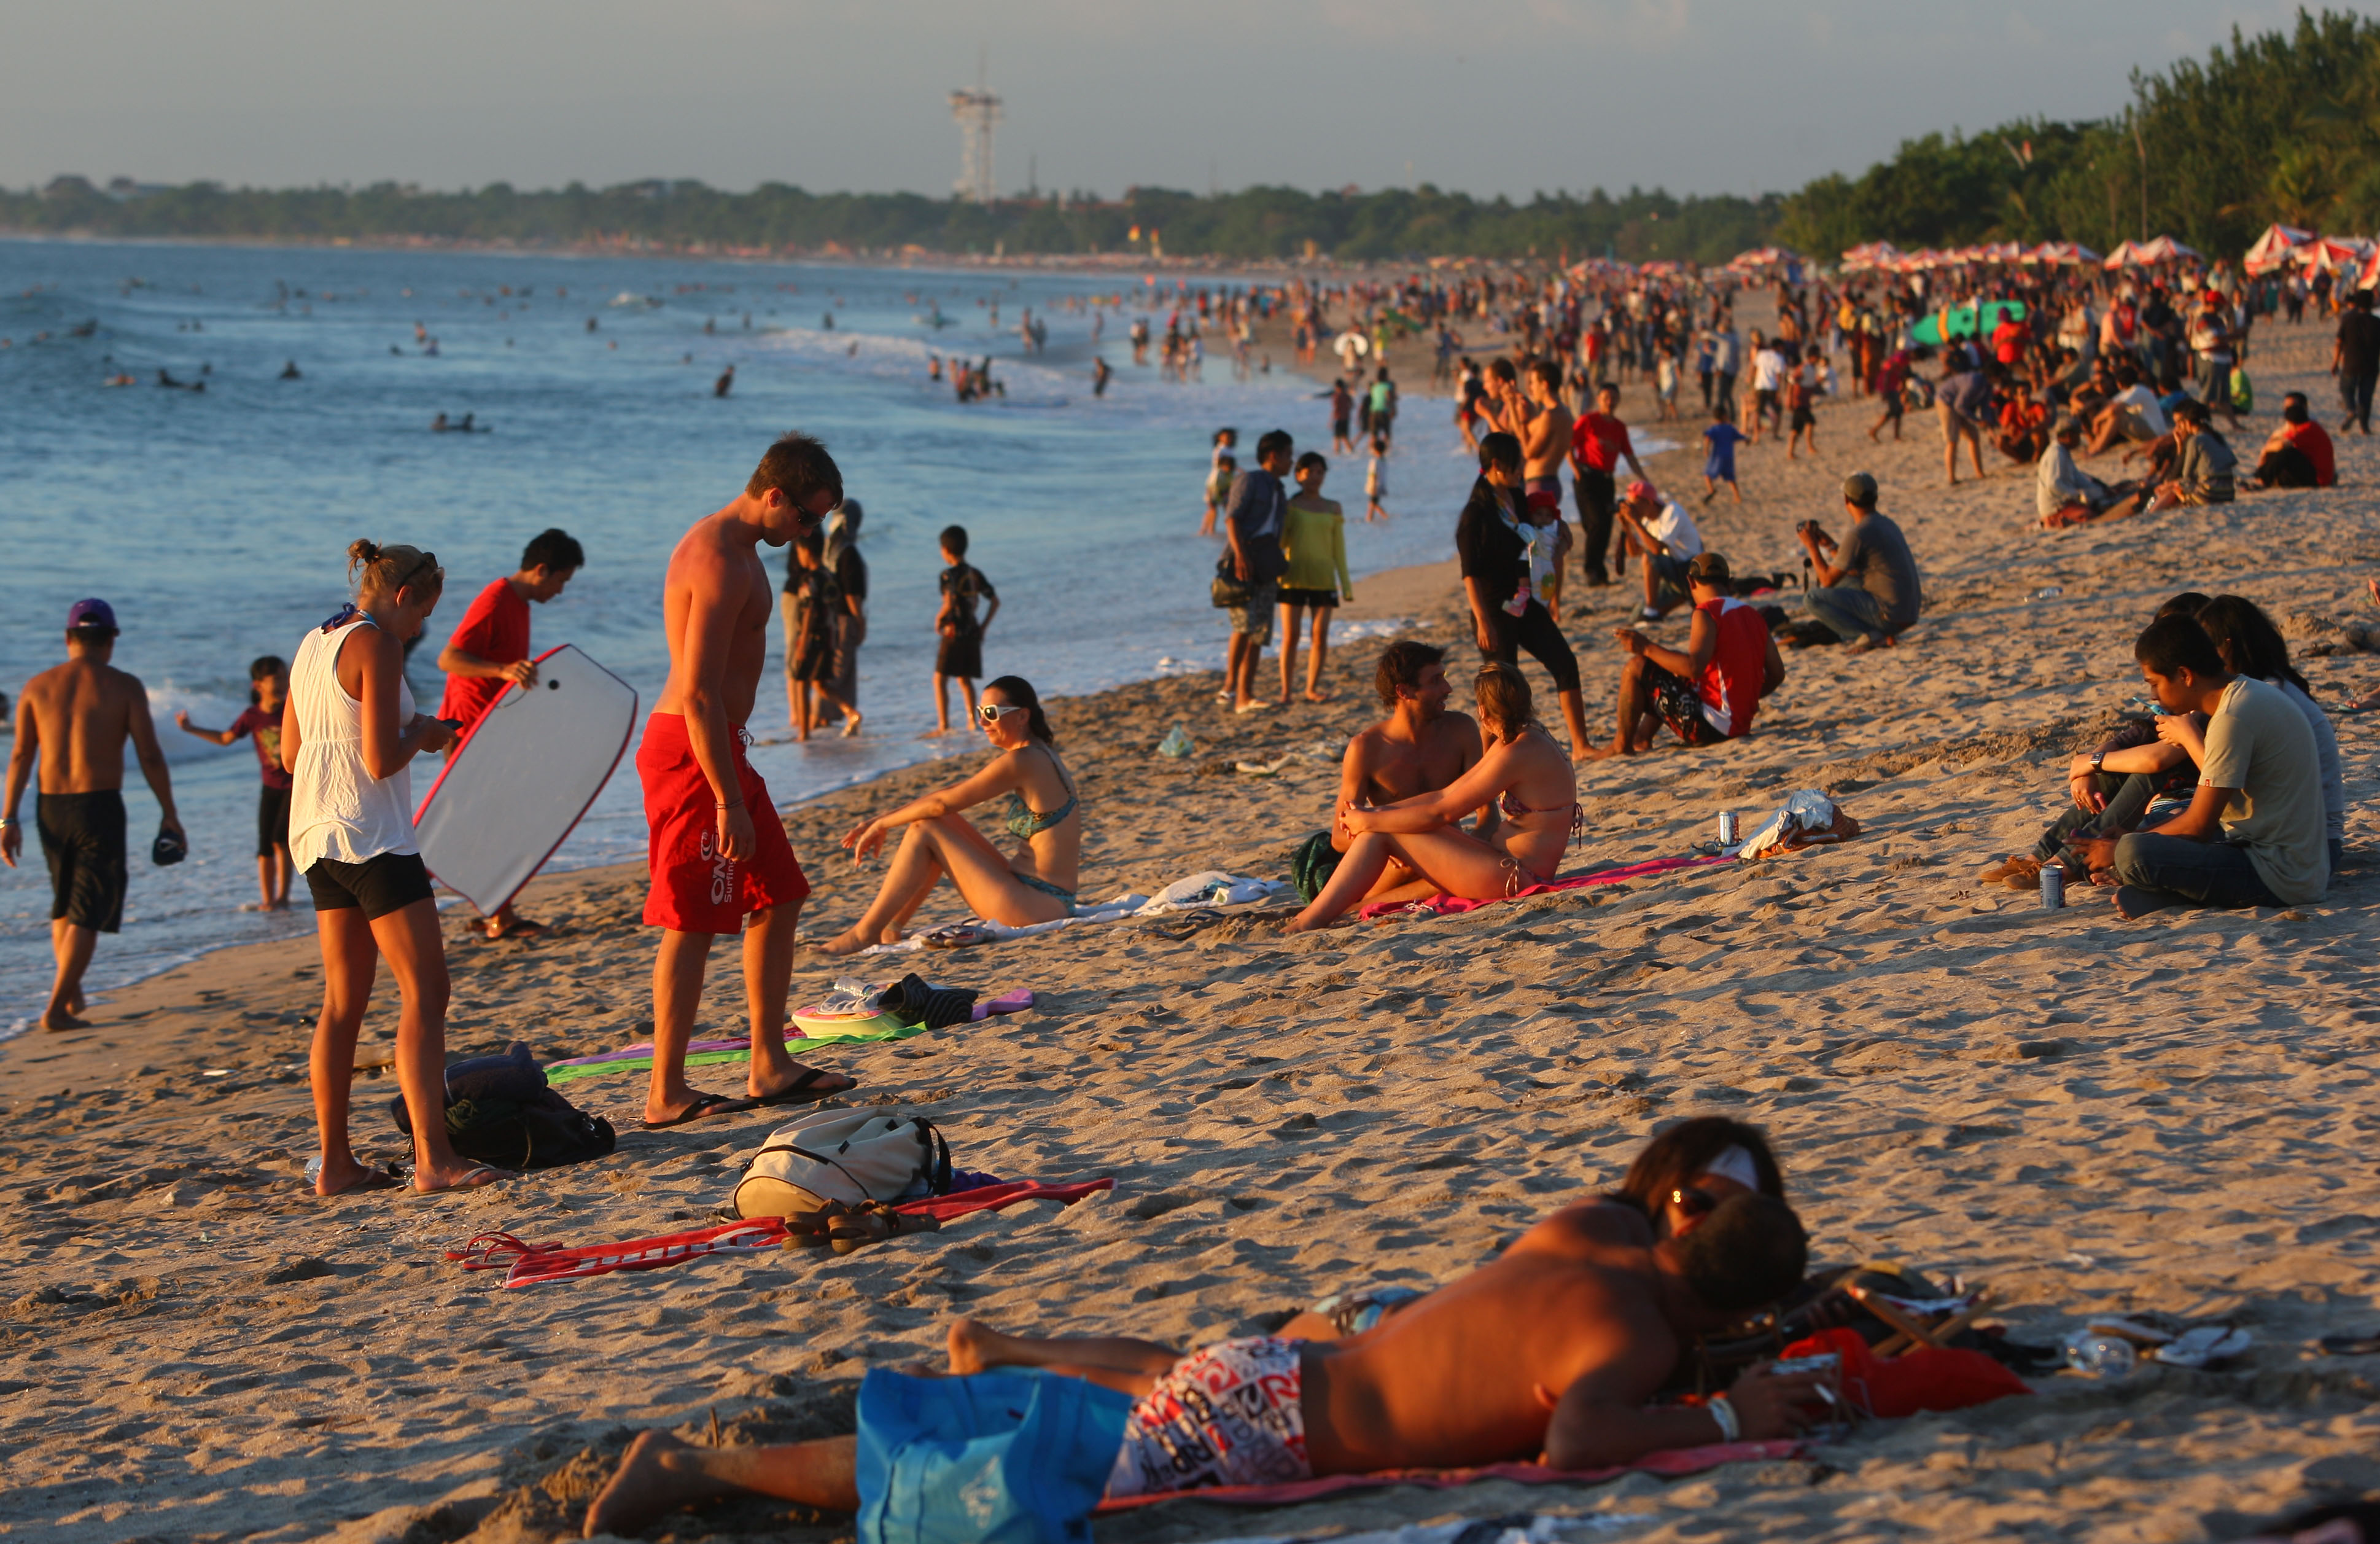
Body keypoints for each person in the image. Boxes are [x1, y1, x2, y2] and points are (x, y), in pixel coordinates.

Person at [580, 1190, 1819, 1534]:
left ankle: (996, 1358)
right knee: (988, 1487)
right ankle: (696, 1465)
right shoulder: (1641, 1339)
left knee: (1073, 1420)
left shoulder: (1598, 1231)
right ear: (1720, 1316)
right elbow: (1576, 1444)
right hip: (1263, 1433)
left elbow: (1657, 1190)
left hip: (1272, 1367)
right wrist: (1725, 1424)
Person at [636, 432, 857, 1128]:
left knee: (779, 893)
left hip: (722, 749)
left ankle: (768, 1063)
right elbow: (698, 692)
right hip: (693, 755)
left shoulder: (739, 550)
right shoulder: (718, 560)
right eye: (804, 518)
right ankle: (665, 1092)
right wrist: (728, 796)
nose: (809, 532)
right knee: (693, 919)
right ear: (773, 496)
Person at [281, 543, 493, 1194]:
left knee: (342, 1004)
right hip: (374, 839)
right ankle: (434, 1159)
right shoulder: (377, 644)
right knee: (427, 993)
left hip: (315, 838)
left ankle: (337, 1163)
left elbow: (290, 754)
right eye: (424, 613)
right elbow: (379, 759)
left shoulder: (313, 642)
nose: (422, 629)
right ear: (404, 597)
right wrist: (426, 733)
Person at [1284, 1116, 1790, 1341]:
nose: (1704, 1224)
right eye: (1692, 1202)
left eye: (1732, 1217)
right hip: (1370, 1323)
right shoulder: (1603, 1239)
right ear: (1658, 1193)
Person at [2, 599, 184, 1033]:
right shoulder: (123, 686)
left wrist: (7, 819)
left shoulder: (36, 686)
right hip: (98, 805)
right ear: (111, 640)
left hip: (50, 807)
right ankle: (56, 1009)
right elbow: (150, 754)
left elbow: (21, 754)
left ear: (68, 638)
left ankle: (71, 986)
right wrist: (169, 814)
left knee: (65, 900)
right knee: (89, 906)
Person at [1289, 663, 1580, 929]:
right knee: (1379, 834)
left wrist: (1370, 822)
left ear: (1483, 711)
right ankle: (1322, 913)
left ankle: (1308, 922)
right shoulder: (1524, 738)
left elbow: (1443, 812)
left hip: (1516, 876)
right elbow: (1446, 794)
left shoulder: (1519, 751)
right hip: (1503, 865)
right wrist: (1374, 815)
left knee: (1380, 834)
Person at [2074, 615, 2327, 919]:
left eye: (2155, 684)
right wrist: (2132, 834)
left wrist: (2119, 847)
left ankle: (2177, 895)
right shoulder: (2250, 693)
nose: (2153, 697)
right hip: (2294, 863)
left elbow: (2198, 826)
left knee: (2134, 854)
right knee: (2145, 838)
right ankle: (2173, 896)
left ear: (2184, 675)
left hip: (2280, 876)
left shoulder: (2232, 718)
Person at [820, 677, 1083, 953]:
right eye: (979, 713)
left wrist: (883, 824)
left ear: (1022, 716)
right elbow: (948, 796)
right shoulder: (1038, 754)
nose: (983, 722)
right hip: (1042, 897)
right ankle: (889, 928)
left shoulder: (1024, 760)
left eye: (991, 714)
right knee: (940, 824)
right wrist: (878, 820)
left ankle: (866, 932)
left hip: (1035, 906)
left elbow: (942, 804)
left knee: (926, 829)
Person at [434, 527, 585, 938]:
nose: (560, 591)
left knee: (492, 817)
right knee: (483, 819)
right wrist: (502, 670)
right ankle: (496, 914)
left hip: (491, 724)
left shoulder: (520, 603)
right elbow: (448, 658)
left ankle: (495, 910)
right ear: (541, 570)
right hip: (468, 725)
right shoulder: (497, 599)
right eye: (560, 581)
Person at [1301, 641, 1488, 908]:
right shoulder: (1367, 748)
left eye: (1444, 678)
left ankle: (1349, 909)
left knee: (1471, 871)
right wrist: (1396, 841)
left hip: (1448, 851)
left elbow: (1487, 814)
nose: (1448, 689)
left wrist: (1477, 850)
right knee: (1414, 865)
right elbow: (1340, 838)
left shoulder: (1461, 730)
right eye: (1436, 681)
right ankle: (1351, 907)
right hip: (1393, 864)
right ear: (1404, 691)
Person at [1456, 433, 1593, 757]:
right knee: (1501, 693)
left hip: (1523, 599)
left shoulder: (1517, 498)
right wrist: (1482, 621)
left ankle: (1582, 745)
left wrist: (1561, 533)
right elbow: (1469, 575)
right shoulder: (1475, 514)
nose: (1522, 470)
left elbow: (1541, 530)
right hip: (1492, 609)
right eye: (1517, 465)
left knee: (1565, 663)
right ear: (1497, 466)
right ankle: (1481, 763)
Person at [1594, 553, 1784, 757]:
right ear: (1730, 584)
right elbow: (1777, 674)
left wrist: (1646, 647)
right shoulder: (1754, 615)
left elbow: (1694, 667)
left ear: (1691, 582)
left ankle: (1621, 745)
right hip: (1739, 724)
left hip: (1711, 727)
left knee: (1636, 667)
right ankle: (1641, 737)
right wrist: (1746, 697)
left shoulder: (1706, 612)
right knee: (1672, 664)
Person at [174, 655, 295, 911]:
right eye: (277, 678)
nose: (283, 682)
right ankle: (267, 899)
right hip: (270, 786)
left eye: (285, 676)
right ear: (258, 685)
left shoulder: (293, 712)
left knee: (280, 840)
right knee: (265, 845)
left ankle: (283, 898)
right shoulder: (252, 716)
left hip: (294, 786)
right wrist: (191, 728)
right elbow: (225, 738)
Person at [1794, 473, 1923, 653]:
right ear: (1876, 497)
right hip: (1908, 611)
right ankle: (1886, 635)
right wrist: (1830, 546)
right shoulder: (1886, 523)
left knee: (1812, 598)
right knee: (1844, 583)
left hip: (1891, 616)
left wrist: (1811, 546)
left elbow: (1827, 579)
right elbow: (1855, 570)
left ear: (1846, 499)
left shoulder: (1858, 533)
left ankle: (1872, 635)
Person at [1221, 429, 1293, 714]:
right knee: (1243, 625)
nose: (1291, 461)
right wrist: (1239, 555)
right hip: (1243, 559)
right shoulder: (1250, 480)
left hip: (1267, 563)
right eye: (1288, 455)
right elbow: (1231, 519)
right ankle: (1229, 685)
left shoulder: (1279, 489)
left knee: (1260, 632)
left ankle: (1245, 695)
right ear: (1274, 456)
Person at [1278, 453, 1353, 704]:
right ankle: (1286, 691)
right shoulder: (1290, 506)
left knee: (1320, 636)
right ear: (1298, 475)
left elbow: (1339, 550)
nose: (1315, 477)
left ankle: (1311, 688)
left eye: (1320, 472)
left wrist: (1346, 584)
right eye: (1309, 472)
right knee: (1291, 636)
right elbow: (1282, 542)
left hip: (1324, 579)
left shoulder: (1333, 507)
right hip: (1293, 578)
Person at [1571, 382, 1651, 585]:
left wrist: (1644, 479)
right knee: (1595, 523)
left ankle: (1599, 572)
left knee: (1605, 526)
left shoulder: (1619, 427)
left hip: (1607, 481)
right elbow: (1568, 444)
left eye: (1614, 398)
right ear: (1598, 399)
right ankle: (1592, 570)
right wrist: (1576, 469)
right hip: (1587, 479)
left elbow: (1630, 456)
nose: (1610, 402)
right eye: (1606, 397)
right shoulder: (1588, 421)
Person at [931, 525, 999, 736]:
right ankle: (972, 721)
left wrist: (939, 618)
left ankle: (944, 724)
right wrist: (984, 627)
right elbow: (995, 601)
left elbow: (949, 601)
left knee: (940, 678)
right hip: (972, 632)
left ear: (945, 550)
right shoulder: (975, 573)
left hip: (953, 633)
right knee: (965, 678)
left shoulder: (947, 575)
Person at [1610, 481, 1702, 623]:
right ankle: (1663, 606)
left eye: (1634, 505)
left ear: (1649, 502)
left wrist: (1636, 522)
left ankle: (1654, 609)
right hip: (1674, 574)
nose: (1632, 510)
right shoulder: (1647, 521)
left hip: (1692, 572)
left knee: (1649, 557)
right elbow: (1634, 552)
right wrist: (1626, 527)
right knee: (1637, 617)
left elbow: (1656, 550)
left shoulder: (1672, 511)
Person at [2137, 399, 2237, 515]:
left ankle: (2150, 513)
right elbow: (2231, 461)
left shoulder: (2196, 440)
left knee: (2172, 490)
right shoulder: (2217, 437)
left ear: (2188, 423)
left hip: (2211, 494)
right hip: (2228, 492)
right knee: (2174, 489)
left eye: (2181, 423)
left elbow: (2186, 476)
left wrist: (2167, 485)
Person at [820, 501, 868, 737]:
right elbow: (852, 593)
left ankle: (829, 719)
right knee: (840, 670)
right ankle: (844, 714)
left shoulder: (830, 549)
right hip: (844, 618)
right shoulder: (848, 552)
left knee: (837, 668)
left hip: (829, 616)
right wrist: (860, 621)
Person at [2242, 392, 2336, 489]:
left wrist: (2265, 450)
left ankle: (2262, 480)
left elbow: (2283, 445)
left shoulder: (2309, 428)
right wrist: (2266, 450)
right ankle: (2262, 479)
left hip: (2319, 479)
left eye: (2290, 407)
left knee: (2288, 452)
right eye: (2286, 407)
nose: (2286, 410)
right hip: (2309, 473)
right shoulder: (2300, 428)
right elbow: (2274, 444)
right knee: (2279, 451)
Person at [1935, 356, 1993, 485]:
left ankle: (1979, 473)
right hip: (1946, 401)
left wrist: (1987, 423)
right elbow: (1959, 406)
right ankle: (1952, 478)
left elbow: (1986, 408)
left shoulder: (1987, 386)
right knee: (1952, 440)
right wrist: (1977, 421)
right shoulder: (1974, 382)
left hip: (1958, 405)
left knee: (1974, 436)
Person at [2333, 288, 2379, 434]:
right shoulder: (2377, 322)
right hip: (2371, 365)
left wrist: (2335, 362)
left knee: (2346, 389)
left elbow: (2339, 342)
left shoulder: (2347, 320)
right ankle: (2364, 427)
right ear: (2372, 304)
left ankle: (2351, 410)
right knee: (2366, 398)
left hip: (2351, 364)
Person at [1700, 406, 1746, 505]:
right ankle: (1737, 496)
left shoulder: (1715, 429)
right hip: (1729, 457)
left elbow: (1708, 438)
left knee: (1707, 474)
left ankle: (1711, 490)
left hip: (1717, 457)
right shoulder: (1730, 428)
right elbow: (1740, 436)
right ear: (1725, 416)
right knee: (1730, 477)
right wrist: (1747, 440)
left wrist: (1706, 450)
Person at [1363, 431, 1389, 523]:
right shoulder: (1383, 461)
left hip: (1374, 486)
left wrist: (1373, 487)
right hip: (1380, 485)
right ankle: (1373, 518)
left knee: (1372, 504)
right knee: (1374, 503)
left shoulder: (1375, 461)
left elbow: (1373, 474)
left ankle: (1370, 519)